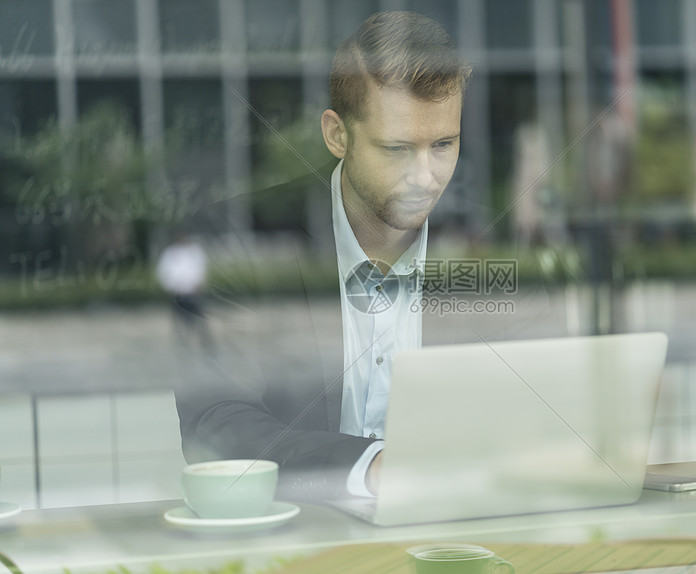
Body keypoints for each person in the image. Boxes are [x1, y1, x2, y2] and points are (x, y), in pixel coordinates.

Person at [173, 11, 472, 500]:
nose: (426, 176)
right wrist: (369, 467)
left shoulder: (491, 244)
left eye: (443, 144)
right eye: (397, 148)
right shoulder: (237, 240)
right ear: (337, 135)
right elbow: (215, 420)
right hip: (302, 536)